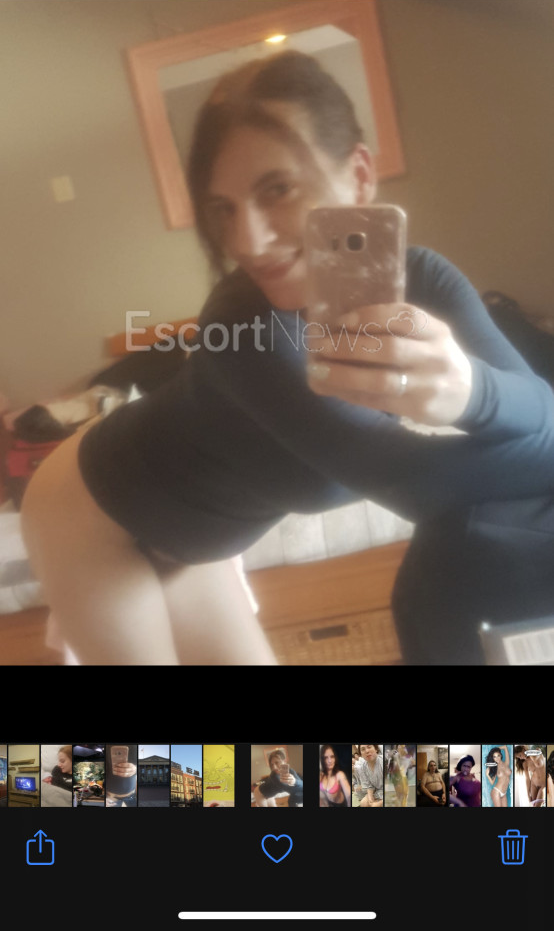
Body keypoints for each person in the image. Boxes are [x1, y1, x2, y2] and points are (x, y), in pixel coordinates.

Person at [20, 50, 554, 665]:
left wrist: (473, 390)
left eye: (277, 189)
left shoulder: (426, 280)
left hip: (200, 542)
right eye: (223, 208)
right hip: (93, 515)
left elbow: (539, 406)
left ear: (359, 174)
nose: (247, 241)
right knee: (154, 723)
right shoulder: (243, 326)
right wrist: (497, 407)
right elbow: (424, 484)